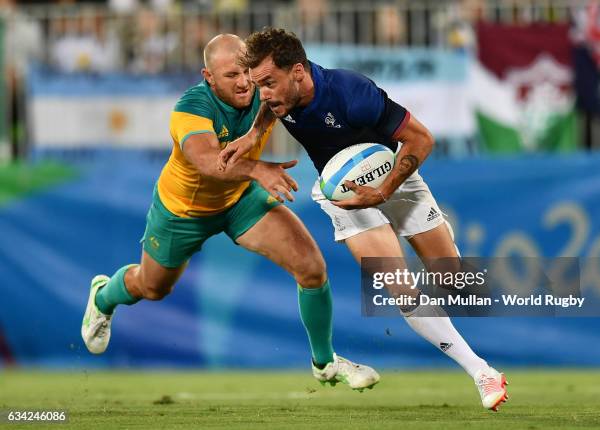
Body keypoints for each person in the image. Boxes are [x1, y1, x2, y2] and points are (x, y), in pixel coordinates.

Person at [218, 28, 509, 411]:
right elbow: (270, 105)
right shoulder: (278, 97)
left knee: (453, 280)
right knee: (400, 287)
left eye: (269, 83)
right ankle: (482, 371)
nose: (264, 94)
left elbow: (421, 139)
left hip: (394, 178)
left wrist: (385, 190)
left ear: (299, 72)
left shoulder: (351, 94)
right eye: (259, 85)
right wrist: (253, 135)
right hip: (340, 194)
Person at [81, 34, 379, 391]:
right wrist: (258, 168)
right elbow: (208, 162)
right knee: (152, 286)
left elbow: (290, 97)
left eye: (246, 74)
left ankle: (325, 363)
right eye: (230, 76)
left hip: (239, 200)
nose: (243, 83)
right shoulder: (191, 108)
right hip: (184, 211)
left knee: (311, 268)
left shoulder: (262, 90)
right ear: (208, 77)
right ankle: (102, 295)